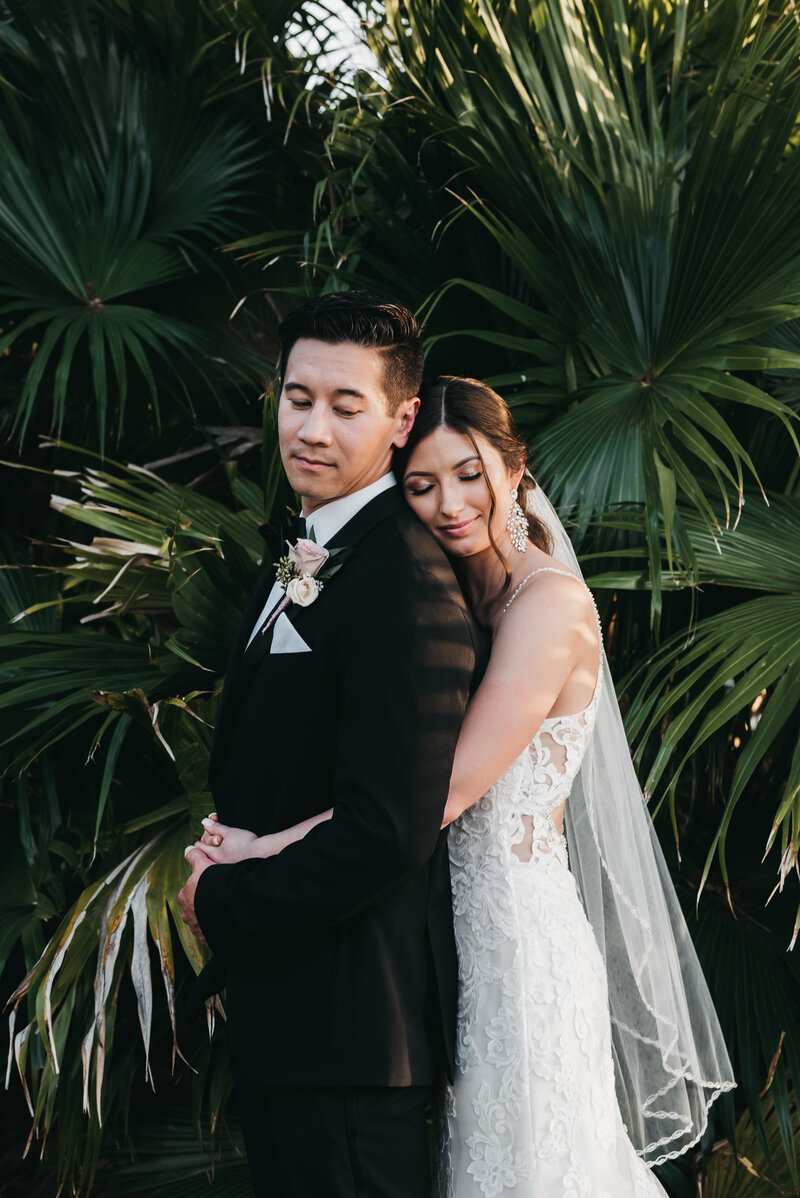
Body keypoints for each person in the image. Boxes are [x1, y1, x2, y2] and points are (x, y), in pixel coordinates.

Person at [196, 375, 736, 1196]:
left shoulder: (547, 607)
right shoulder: (465, 601)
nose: (449, 503)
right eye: (422, 484)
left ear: (515, 471)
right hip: (451, 946)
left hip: (518, 943)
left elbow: (438, 795)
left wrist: (264, 849)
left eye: (469, 474)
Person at [177, 305, 489, 1198]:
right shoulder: (313, 544)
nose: (312, 429)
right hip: (298, 1021)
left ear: (400, 422)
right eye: (296, 397)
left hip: (352, 1034)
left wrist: (226, 896)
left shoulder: (406, 580)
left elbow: (388, 828)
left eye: (345, 406)